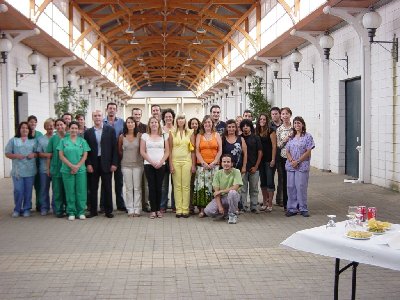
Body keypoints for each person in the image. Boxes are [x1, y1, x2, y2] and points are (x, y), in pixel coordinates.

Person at [85, 110, 118, 218]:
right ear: (92, 118)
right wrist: (88, 164)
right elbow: (86, 151)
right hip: (93, 164)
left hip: (106, 163)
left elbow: (115, 148)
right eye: (95, 116)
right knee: (93, 188)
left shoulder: (110, 130)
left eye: (99, 115)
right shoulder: (88, 132)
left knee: (107, 188)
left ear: (102, 117)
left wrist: (114, 163)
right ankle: (93, 210)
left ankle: (108, 211)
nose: (97, 117)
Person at [57, 121, 90, 221]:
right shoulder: (63, 141)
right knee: (69, 191)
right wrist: (71, 166)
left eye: (76, 128)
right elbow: (61, 155)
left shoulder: (82, 141)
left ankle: (80, 212)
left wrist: (77, 166)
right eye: (72, 128)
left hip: (80, 170)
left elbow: (85, 155)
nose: (74, 130)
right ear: (68, 129)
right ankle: (71, 211)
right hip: (67, 170)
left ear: (79, 130)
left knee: (81, 191)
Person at [5, 122, 38, 217]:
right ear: (19, 129)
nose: (25, 130)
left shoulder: (33, 141)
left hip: (30, 170)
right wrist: (15, 155)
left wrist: (34, 155)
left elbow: (37, 153)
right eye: (22, 128)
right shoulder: (13, 140)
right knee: (18, 190)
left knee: (28, 191)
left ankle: (27, 209)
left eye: (26, 128)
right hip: (17, 171)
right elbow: (7, 153)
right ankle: (17, 209)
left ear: (29, 130)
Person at [140, 117, 170, 219]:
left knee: (159, 187)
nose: (154, 124)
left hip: (161, 165)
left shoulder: (164, 136)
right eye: (151, 122)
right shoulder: (145, 136)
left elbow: (167, 151)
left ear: (158, 124)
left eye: (155, 122)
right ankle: (153, 210)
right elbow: (142, 151)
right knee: (151, 187)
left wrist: (161, 162)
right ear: (149, 124)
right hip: (148, 165)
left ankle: (158, 210)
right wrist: (152, 162)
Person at [193, 115, 222, 217]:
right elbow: (197, 150)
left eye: (209, 122)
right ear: (203, 124)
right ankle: (202, 210)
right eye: (205, 122)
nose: (207, 124)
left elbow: (220, 150)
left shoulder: (217, 135)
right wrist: (203, 162)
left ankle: (214, 209)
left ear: (212, 123)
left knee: (213, 188)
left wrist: (214, 162)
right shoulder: (199, 136)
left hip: (215, 166)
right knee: (202, 187)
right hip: (202, 167)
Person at [285, 116, 315, 217]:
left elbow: (308, 151)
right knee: (291, 187)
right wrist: (291, 160)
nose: (297, 125)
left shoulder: (307, 136)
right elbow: (287, 150)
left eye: (299, 123)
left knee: (301, 187)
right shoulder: (291, 137)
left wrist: (298, 161)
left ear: (302, 125)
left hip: (302, 165)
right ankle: (292, 208)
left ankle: (303, 208)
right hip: (291, 166)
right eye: (295, 123)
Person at [204, 154, 243, 224]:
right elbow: (216, 193)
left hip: (232, 197)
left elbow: (236, 187)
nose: (226, 164)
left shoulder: (236, 172)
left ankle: (232, 215)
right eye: (224, 162)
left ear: (232, 164)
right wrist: (219, 207)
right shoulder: (217, 174)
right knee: (208, 211)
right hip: (221, 198)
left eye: (228, 162)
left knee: (232, 192)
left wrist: (221, 191)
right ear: (221, 163)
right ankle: (225, 213)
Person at [169, 114, 195, 218]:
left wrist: (193, 164)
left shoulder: (190, 132)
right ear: (176, 121)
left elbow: (192, 150)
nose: (181, 120)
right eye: (179, 119)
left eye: (182, 119)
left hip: (187, 161)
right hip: (175, 161)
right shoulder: (172, 132)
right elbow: (170, 150)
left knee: (186, 186)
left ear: (185, 120)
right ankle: (178, 209)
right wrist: (170, 164)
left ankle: (185, 209)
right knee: (177, 186)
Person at [118, 117, 143, 217]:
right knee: (128, 188)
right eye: (128, 122)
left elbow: (142, 149)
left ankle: (137, 209)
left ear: (135, 124)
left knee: (137, 188)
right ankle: (130, 209)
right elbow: (119, 150)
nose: (130, 124)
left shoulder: (140, 135)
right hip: (126, 165)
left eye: (132, 122)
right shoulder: (121, 136)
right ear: (126, 124)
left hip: (138, 165)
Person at [103, 102, 125, 212]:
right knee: (105, 181)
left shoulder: (121, 122)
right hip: (105, 155)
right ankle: (104, 205)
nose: (112, 110)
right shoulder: (102, 122)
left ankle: (120, 204)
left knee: (119, 181)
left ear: (116, 110)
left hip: (118, 154)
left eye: (113, 108)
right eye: (110, 108)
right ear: (106, 109)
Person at [240, 119, 263, 213]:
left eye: (247, 125)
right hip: (243, 168)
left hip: (254, 167)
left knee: (254, 188)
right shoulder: (239, 138)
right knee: (243, 188)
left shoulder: (256, 138)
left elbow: (260, 152)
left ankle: (254, 206)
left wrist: (256, 166)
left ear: (250, 127)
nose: (245, 127)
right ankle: (243, 206)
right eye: (243, 126)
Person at [256, 113, 277, 212]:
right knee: (263, 182)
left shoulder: (271, 131)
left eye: (264, 119)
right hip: (260, 161)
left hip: (269, 160)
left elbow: (274, 146)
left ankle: (270, 204)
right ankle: (264, 202)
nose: (262, 121)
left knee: (270, 182)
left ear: (267, 121)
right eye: (261, 119)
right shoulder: (257, 131)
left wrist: (273, 159)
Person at [47, 119, 67, 218]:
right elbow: (49, 155)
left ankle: (68, 209)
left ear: (65, 125)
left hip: (67, 168)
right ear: (55, 127)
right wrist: (48, 168)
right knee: (57, 191)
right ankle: (59, 210)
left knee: (68, 190)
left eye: (61, 124)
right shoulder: (53, 139)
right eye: (57, 125)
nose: (60, 127)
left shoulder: (69, 136)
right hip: (56, 168)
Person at [131, 107, 150, 212]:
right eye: (135, 114)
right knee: (133, 184)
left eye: (139, 114)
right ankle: (134, 204)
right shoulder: (128, 126)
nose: (137, 116)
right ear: (132, 114)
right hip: (132, 160)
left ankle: (145, 204)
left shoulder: (146, 127)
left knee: (145, 184)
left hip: (144, 159)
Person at [276, 107, 293, 211]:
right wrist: (286, 139)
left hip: (296, 158)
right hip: (284, 158)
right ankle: (287, 205)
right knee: (286, 181)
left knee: (294, 182)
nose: (285, 116)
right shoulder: (279, 129)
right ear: (281, 116)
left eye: (287, 113)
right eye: (283, 114)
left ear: (290, 115)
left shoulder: (295, 127)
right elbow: (278, 145)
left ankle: (296, 203)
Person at [37, 118, 54, 215]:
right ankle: (44, 207)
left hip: (55, 167)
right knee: (44, 189)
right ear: (45, 127)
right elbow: (38, 153)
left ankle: (55, 207)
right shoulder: (41, 139)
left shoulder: (57, 137)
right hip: (44, 168)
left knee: (56, 190)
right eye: (48, 125)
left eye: (52, 125)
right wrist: (47, 155)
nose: (50, 127)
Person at [161, 108, 175, 212]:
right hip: (163, 159)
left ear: (173, 118)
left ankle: (175, 205)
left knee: (175, 184)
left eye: (170, 116)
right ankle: (163, 205)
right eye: (166, 117)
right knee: (164, 185)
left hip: (175, 159)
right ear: (164, 118)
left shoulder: (177, 129)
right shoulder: (160, 130)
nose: (168, 118)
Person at [27, 115, 43, 212]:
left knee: (39, 186)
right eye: (31, 122)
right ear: (28, 122)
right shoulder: (24, 133)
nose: (33, 123)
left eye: (34, 122)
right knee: (28, 186)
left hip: (38, 163)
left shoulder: (39, 134)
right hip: (27, 164)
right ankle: (27, 206)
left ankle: (39, 204)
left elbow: (41, 148)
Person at [270, 107, 283, 207]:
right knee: (270, 178)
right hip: (271, 156)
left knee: (281, 178)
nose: (274, 116)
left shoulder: (284, 125)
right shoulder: (269, 126)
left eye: (276, 114)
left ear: (279, 114)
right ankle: (268, 200)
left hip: (282, 155)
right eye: (272, 114)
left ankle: (280, 199)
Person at [188, 117, 200, 214]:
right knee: (191, 185)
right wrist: (192, 164)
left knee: (198, 185)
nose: (194, 125)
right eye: (192, 124)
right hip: (191, 163)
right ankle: (190, 206)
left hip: (200, 163)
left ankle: (200, 206)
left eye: (196, 123)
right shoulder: (188, 135)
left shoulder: (201, 135)